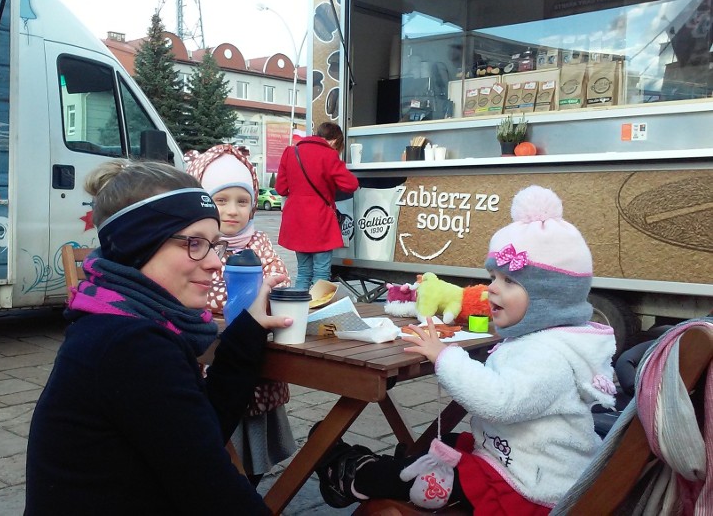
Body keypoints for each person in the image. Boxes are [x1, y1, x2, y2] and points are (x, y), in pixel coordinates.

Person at [314, 185, 617, 514]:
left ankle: (352, 472)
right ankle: (357, 466)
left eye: (509, 281)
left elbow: (499, 400)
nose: (492, 289)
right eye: (492, 277)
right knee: (440, 451)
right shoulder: (550, 340)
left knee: (421, 474)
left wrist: (444, 356)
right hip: (523, 465)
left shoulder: (550, 355)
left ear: (550, 297)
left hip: (525, 490)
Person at [25, 160, 291, 515]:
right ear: (140, 246)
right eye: (194, 243)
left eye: (215, 245)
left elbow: (197, 431)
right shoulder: (132, 345)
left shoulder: (117, 321)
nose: (215, 262)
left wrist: (247, 330)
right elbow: (214, 491)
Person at [186, 144, 296, 486]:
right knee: (216, 437)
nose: (233, 211)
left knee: (254, 442)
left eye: (242, 201)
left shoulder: (259, 243)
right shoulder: (197, 246)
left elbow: (280, 279)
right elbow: (196, 293)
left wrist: (273, 290)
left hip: (256, 363)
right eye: (221, 200)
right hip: (210, 360)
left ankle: (250, 479)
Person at [276, 122, 359, 290]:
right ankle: (318, 313)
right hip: (319, 219)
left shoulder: (291, 152)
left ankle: (299, 311)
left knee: (303, 272)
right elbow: (351, 184)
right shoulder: (329, 155)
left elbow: (281, 188)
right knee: (321, 272)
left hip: (296, 219)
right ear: (335, 140)